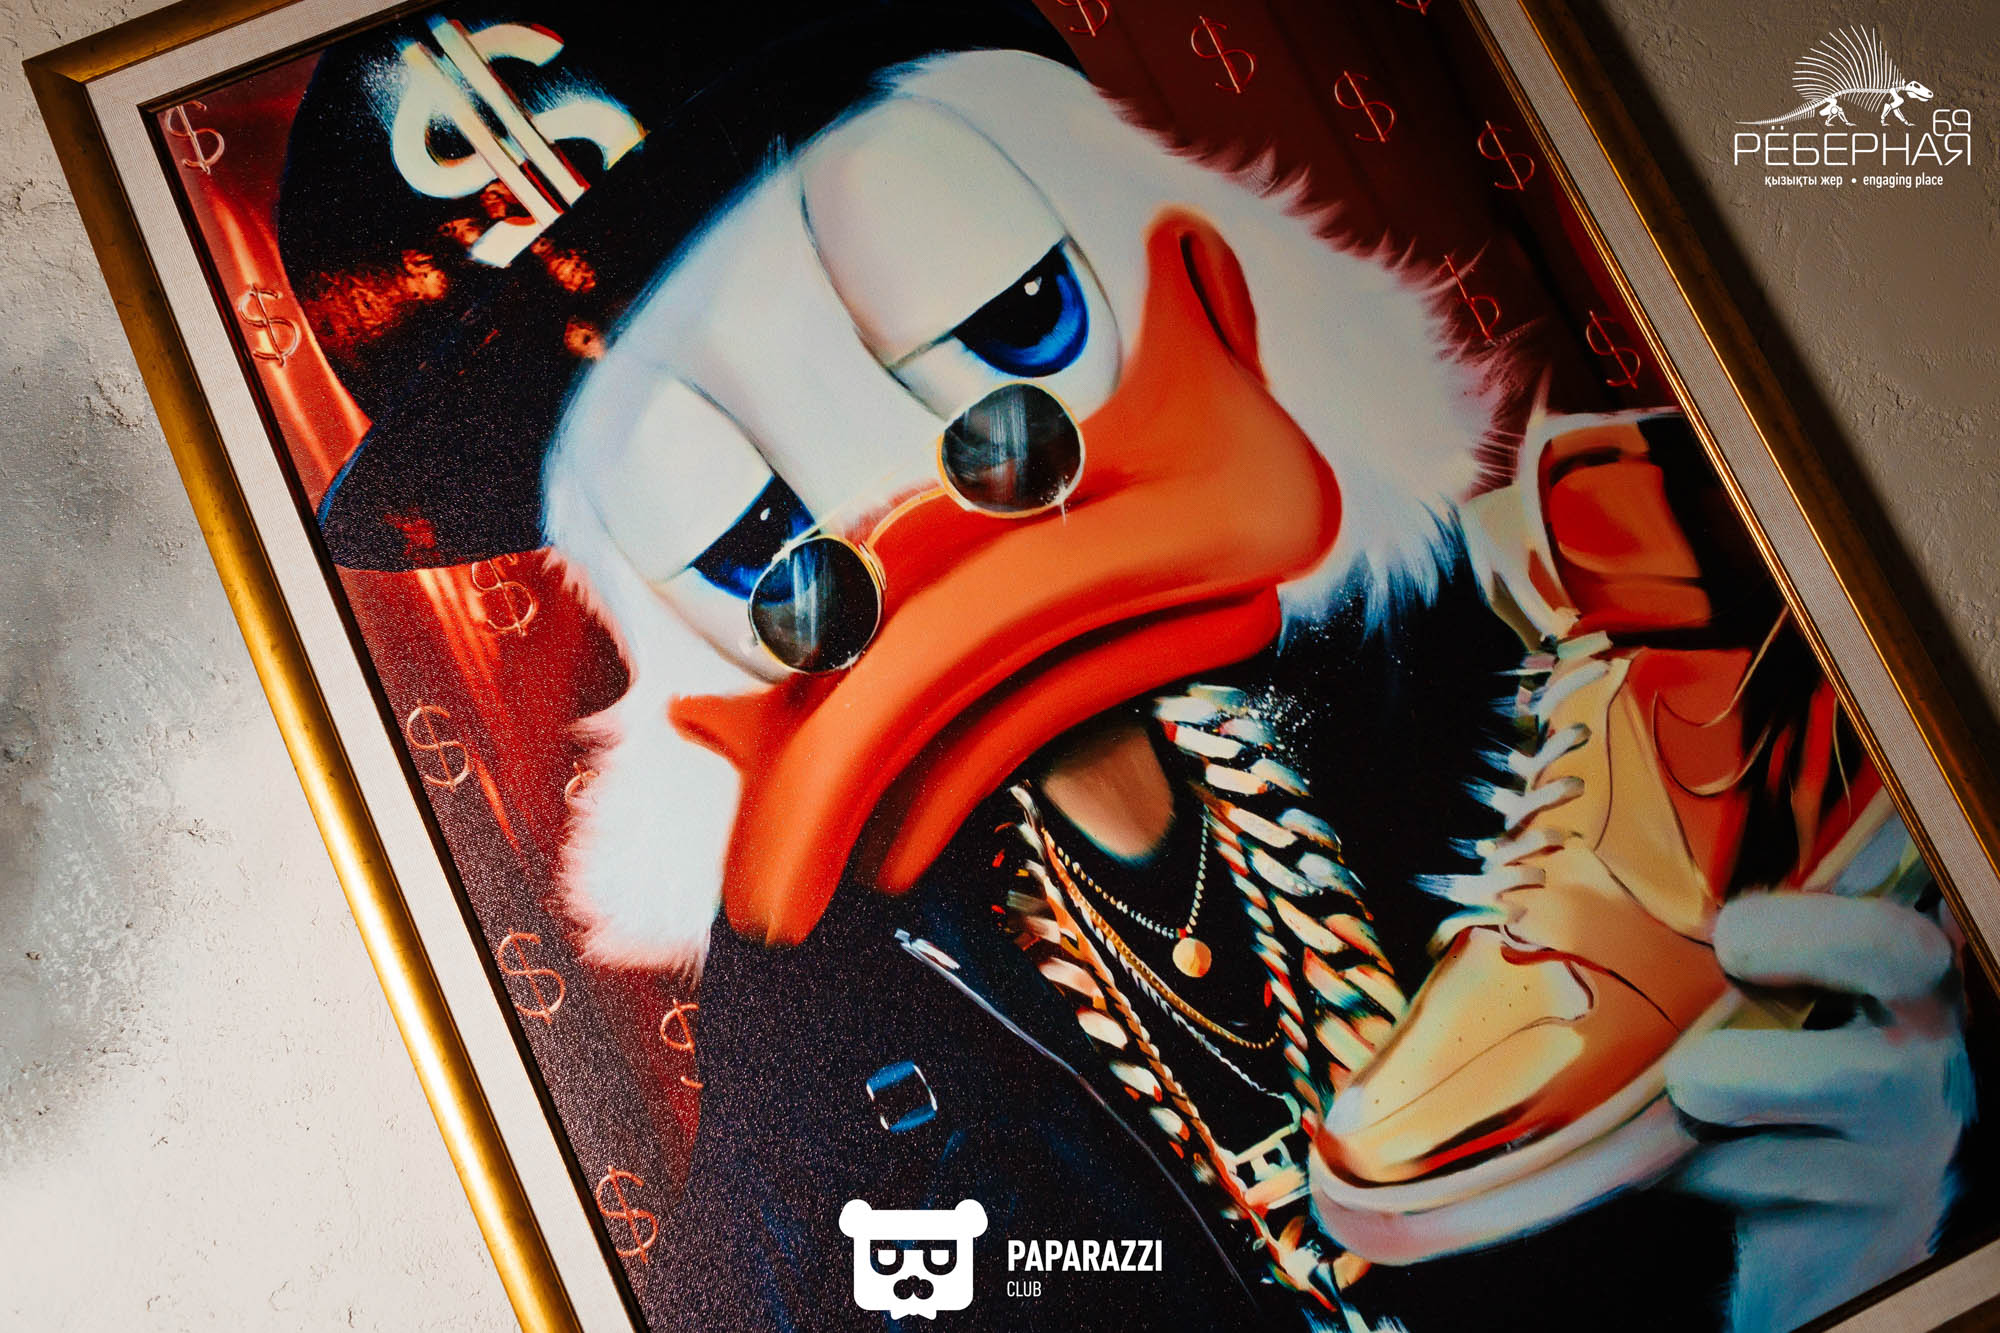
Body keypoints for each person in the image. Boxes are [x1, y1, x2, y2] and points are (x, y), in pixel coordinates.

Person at [279, 4, 1976, 1328]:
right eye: (756, 541)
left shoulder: (1532, 662)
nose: (931, 523)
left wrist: (1899, 1239)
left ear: (1191, 284)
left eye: (1004, 333)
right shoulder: (820, 1050)